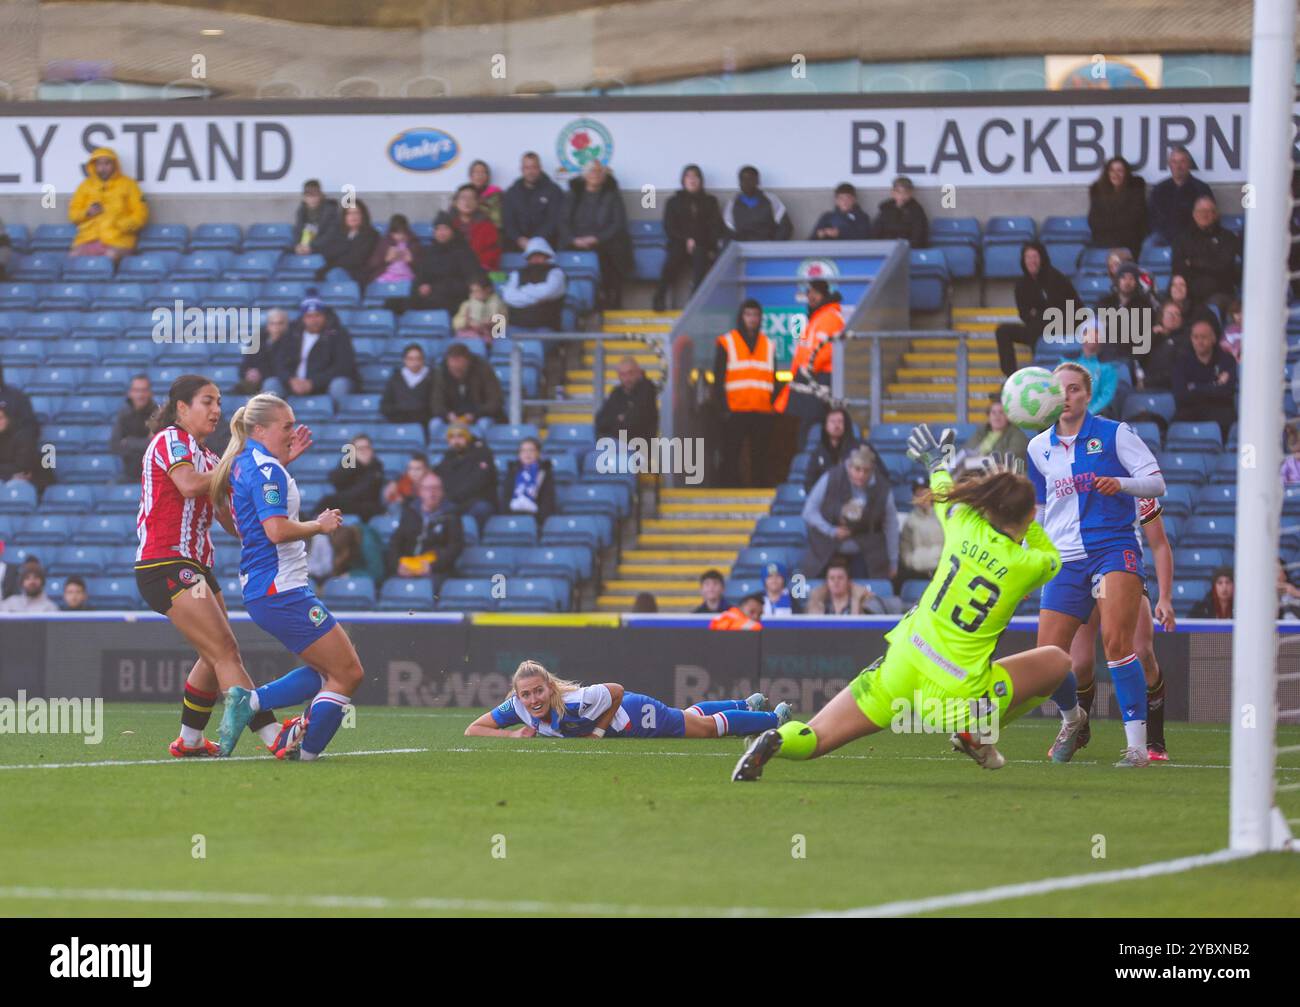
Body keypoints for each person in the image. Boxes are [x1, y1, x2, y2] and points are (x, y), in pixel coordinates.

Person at [733, 443, 1071, 781]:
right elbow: (1051, 556)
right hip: (958, 693)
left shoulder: (962, 523)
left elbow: (943, 490)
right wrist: (1031, 517)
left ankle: (775, 739)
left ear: (989, 506)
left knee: (817, 736)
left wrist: (937, 462)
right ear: (1027, 516)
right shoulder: (1027, 565)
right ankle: (979, 731)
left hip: (905, 661)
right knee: (1057, 662)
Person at [135, 376, 287, 758]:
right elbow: (187, 485)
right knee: (224, 652)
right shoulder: (172, 441)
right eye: (207, 401)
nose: (217, 409)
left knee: (215, 652)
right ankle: (273, 735)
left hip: (195, 567)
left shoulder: (208, 457)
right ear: (182, 408)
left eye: (219, 401)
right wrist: (236, 467)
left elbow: (229, 519)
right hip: (167, 562)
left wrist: (273, 468)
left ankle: (189, 740)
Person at [1029, 361, 1167, 768]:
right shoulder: (1038, 447)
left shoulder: (1115, 434)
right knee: (1047, 660)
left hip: (1112, 550)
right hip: (1065, 560)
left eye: (1074, 389)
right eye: (1060, 390)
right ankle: (1074, 720)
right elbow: (1038, 510)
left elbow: (1156, 482)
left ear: (1087, 395)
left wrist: (1121, 483)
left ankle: (1137, 748)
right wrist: (1032, 555)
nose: (1067, 397)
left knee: (1118, 645)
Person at [212, 393, 365, 761]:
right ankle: (301, 750)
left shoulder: (246, 462)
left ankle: (251, 702)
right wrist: (320, 524)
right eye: (286, 426)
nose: (292, 432)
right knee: (348, 672)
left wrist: (281, 460)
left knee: (322, 671)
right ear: (260, 428)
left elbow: (240, 515)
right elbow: (276, 531)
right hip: (281, 589)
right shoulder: (268, 470)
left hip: (269, 589)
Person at [1067, 496, 1175, 761]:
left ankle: (1155, 740)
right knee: (1078, 664)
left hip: (1122, 570)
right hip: (1081, 570)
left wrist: (1165, 597)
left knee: (1142, 652)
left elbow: (1160, 544)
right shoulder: (1070, 480)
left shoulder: (1137, 487)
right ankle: (1079, 728)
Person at [465, 660, 790, 740]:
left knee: (703, 729)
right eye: (526, 694)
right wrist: (511, 734)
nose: (533, 699)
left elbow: (616, 690)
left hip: (632, 715)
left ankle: (774, 720)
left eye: (538, 691)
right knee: (688, 714)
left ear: (549, 687)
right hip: (625, 717)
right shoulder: (519, 708)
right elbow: (474, 729)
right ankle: (747, 705)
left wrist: (598, 732)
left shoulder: (576, 701)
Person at [800, 445, 898, 580]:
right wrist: (831, 530)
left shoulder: (883, 488)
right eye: (857, 469)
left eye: (866, 471)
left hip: (866, 549)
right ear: (849, 467)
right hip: (828, 546)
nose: (861, 475)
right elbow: (808, 512)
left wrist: (893, 560)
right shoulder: (831, 477)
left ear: (873, 470)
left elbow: (891, 525)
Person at [712, 298, 775, 487]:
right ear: (741, 316)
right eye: (748, 314)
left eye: (756, 315)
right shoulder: (727, 342)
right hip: (735, 408)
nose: (752, 319)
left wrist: (772, 404)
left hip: (761, 409)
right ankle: (729, 489)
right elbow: (718, 378)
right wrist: (723, 407)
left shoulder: (768, 344)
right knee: (731, 453)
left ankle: (759, 488)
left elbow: (774, 378)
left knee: (761, 455)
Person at [774, 280, 845, 444]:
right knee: (806, 430)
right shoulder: (817, 317)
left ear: (824, 295)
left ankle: (812, 465)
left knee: (811, 432)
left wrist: (806, 370)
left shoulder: (829, 317)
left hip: (819, 381)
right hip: (811, 381)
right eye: (809, 293)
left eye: (816, 293)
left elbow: (825, 350)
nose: (811, 296)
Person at [994, 242, 1078, 377]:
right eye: (1028, 257)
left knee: (1038, 324)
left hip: (1061, 327)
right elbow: (1024, 313)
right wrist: (1039, 313)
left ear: (1042, 258)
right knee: (1003, 331)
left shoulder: (1056, 278)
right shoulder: (1021, 285)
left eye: (1035, 257)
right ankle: (1011, 377)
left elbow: (1063, 309)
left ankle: (1039, 374)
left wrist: (1038, 312)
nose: (1032, 261)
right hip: (1035, 327)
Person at [654, 164, 724, 311]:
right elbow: (669, 226)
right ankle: (659, 297)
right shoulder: (673, 202)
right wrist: (686, 239)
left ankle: (695, 300)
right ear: (683, 180)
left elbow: (715, 227)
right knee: (673, 258)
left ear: (701, 180)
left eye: (695, 176)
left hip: (703, 245)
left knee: (700, 256)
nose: (692, 180)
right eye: (688, 176)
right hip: (679, 244)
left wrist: (696, 240)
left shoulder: (710, 201)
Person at [264, 296, 358, 407]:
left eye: (317, 315)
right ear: (303, 318)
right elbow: (278, 363)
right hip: (293, 384)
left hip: (324, 384)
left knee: (340, 385)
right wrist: (290, 380)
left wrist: (313, 383)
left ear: (324, 316)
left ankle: (341, 420)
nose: (314, 320)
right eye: (309, 316)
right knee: (271, 383)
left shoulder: (338, 335)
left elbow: (343, 366)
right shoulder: (291, 334)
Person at [564, 160, 633, 309]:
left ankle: (610, 299)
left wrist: (596, 238)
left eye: (599, 171)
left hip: (605, 242)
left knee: (612, 253)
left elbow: (618, 223)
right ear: (584, 175)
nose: (595, 174)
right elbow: (563, 222)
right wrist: (573, 239)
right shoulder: (573, 195)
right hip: (576, 242)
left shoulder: (612, 195)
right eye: (592, 171)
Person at [386, 471, 464, 591]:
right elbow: (395, 542)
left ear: (442, 491)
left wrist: (432, 567)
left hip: (436, 570)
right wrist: (397, 566)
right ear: (420, 491)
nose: (432, 493)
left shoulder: (452, 516)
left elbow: (455, 547)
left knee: (431, 587)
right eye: (428, 488)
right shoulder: (410, 513)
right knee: (391, 586)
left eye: (436, 488)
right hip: (408, 567)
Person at [67, 147, 148, 262]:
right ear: (94, 166)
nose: (103, 168)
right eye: (99, 164)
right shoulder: (85, 186)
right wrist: (88, 213)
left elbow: (141, 215)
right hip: (89, 239)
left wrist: (119, 224)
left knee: (109, 256)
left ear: (115, 164)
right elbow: (73, 214)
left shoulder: (129, 185)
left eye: (107, 163)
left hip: (119, 240)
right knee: (73, 258)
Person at [1171, 313, 1238, 440]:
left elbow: (1227, 392)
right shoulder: (1182, 361)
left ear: (1213, 339)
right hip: (1190, 411)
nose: (1199, 341)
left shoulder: (1226, 360)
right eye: (1195, 337)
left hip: (1219, 412)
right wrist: (1214, 386)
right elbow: (1180, 395)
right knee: (1176, 424)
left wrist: (1195, 387)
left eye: (1203, 337)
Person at [1170, 196, 1241, 314]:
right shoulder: (1182, 239)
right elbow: (1177, 267)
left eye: (1209, 211)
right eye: (1200, 211)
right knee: (1170, 306)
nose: (1204, 214)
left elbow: (1223, 267)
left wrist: (1192, 262)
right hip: (1189, 293)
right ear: (1194, 214)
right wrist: (1208, 262)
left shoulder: (1228, 238)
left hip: (1220, 293)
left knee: (1210, 308)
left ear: (1215, 214)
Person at [406, 212, 482, 313]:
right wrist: (420, 289)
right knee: (393, 303)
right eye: (438, 229)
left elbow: (466, 284)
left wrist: (433, 288)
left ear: (452, 231)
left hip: (452, 300)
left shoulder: (463, 252)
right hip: (428, 298)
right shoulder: (428, 252)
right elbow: (419, 277)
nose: (441, 233)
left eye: (445, 228)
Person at [435, 422, 498, 527]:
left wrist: (454, 496)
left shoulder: (482, 453)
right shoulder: (448, 456)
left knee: (480, 509)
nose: (456, 441)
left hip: (476, 500)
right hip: (454, 501)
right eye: (452, 437)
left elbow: (479, 481)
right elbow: (438, 475)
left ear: (467, 437)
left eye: (460, 436)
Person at [1148, 146, 1214, 245]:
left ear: (1189, 164)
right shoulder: (1159, 189)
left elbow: (1209, 218)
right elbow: (1152, 218)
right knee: (1147, 246)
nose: (1178, 166)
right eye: (1174, 162)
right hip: (1163, 237)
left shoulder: (1201, 188)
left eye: (1182, 161)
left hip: (1193, 237)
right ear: (1169, 165)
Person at [501, 151, 565, 252]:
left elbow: (554, 220)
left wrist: (535, 241)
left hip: (547, 245)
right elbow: (508, 221)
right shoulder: (512, 193)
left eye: (534, 167)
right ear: (521, 169)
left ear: (540, 168)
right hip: (517, 246)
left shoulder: (553, 191)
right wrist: (518, 238)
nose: (531, 171)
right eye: (527, 168)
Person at [1087, 156, 1148, 257]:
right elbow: (1093, 221)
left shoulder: (1135, 188)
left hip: (1129, 241)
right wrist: (1116, 222)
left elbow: (1134, 218)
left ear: (1126, 173)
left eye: (1120, 171)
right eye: (1112, 170)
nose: (1115, 174)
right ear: (1107, 173)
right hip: (1103, 240)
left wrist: (1107, 222)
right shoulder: (1097, 191)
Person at [430, 342, 505, 425]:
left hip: (480, 416)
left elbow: (495, 401)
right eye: (452, 368)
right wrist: (447, 415)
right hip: (451, 417)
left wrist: (475, 415)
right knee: (435, 424)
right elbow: (436, 403)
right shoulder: (441, 372)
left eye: (459, 369)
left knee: (484, 424)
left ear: (467, 361)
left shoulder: (483, 369)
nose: (456, 371)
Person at [499, 238, 565, 331]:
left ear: (547, 256)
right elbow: (508, 296)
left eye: (539, 255)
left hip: (546, 326)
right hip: (516, 324)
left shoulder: (556, 273)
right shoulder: (517, 273)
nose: (535, 259)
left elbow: (547, 292)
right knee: (498, 330)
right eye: (532, 256)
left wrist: (521, 291)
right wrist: (535, 299)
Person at [317, 434, 386, 522]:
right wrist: (356, 464)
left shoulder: (377, 467)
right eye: (360, 449)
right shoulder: (349, 464)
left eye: (367, 448)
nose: (364, 451)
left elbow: (365, 491)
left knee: (331, 501)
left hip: (368, 506)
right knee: (327, 502)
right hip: (348, 503)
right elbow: (336, 480)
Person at [803, 407, 871, 492]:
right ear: (826, 426)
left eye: (840, 422)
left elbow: (877, 479)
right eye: (832, 422)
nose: (836, 425)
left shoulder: (860, 448)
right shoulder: (818, 452)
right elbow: (809, 483)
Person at [953, 397, 1029, 472]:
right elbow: (967, 449)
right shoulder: (981, 432)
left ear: (1008, 416)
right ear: (988, 416)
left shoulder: (1017, 434)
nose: (997, 416)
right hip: (974, 471)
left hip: (1001, 474)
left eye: (1001, 412)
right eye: (993, 412)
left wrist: (986, 459)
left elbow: (1014, 454)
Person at [595, 357, 658, 444]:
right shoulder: (616, 392)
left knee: (595, 455)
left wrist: (616, 420)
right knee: (587, 453)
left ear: (638, 372)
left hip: (639, 447)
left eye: (630, 373)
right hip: (615, 444)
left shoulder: (647, 390)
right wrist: (620, 419)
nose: (627, 378)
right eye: (623, 374)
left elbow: (635, 423)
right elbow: (600, 421)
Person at [313, 200, 378, 284]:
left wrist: (339, 254)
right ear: (344, 217)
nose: (353, 216)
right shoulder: (337, 233)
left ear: (363, 215)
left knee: (335, 274)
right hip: (332, 271)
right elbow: (326, 252)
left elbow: (357, 259)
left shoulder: (371, 235)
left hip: (358, 276)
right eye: (349, 213)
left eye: (356, 213)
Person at [723, 165, 792, 242]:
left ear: (758, 181)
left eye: (750, 179)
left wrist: (774, 245)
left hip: (768, 246)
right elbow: (728, 229)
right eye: (743, 180)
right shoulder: (732, 203)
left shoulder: (771, 199)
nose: (747, 183)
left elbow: (785, 226)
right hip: (742, 248)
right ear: (739, 183)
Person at [897, 475, 943, 587]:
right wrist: (912, 562)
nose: (922, 498)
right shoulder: (910, 521)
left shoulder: (942, 516)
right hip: (918, 571)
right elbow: (905, 548)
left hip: (941, 569)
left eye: (925, 494)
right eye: (918, 495)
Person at [1075, 320, 1127, 418]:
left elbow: (1106, 396)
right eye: (1089, 333)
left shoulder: (1108, 366)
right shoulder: (1068, 362)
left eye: (1097, 333)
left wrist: (1085, 414)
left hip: (1096, 417)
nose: (1093, 336)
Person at [805, 555, 889, 615]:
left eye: (840, 578)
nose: (836, 581)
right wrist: (816, 600)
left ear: (848, 581)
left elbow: (861, 630)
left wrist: (856, 599)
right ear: (827, 582)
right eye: (832, 578)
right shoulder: (819, 600)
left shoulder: (862, 600)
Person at [111, 374, 156, 484]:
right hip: (128, 475)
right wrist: (142, 444)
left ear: (150, 393)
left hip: (152, 476)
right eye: (136, 390)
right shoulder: (124, 415)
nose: (140, 395)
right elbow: (114, 445)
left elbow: (153, 445)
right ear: (130, 393)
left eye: (144, 390)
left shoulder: (156, 414)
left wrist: (128, 442)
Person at [501, 437, 555, 526]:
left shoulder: (544, 473)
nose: (527, 454)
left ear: (538, 453)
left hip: (536, 518)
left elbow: (548, 500)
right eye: (523, 450)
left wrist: (537, 519)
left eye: (531, 450)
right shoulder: (512, 471)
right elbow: (506, 497)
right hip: (512, 516)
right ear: (519, 454)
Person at [380, 343, 435, 428]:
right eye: (411, 359)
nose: (415, 363)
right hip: (398, 423)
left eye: (418, 359)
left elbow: (435, 405)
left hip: (424, 424)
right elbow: (385, 406)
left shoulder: (432, 377)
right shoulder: (395, 378)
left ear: (423, 360)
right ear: (404, 360)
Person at [450, 184, 501, 272]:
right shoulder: (448, 225)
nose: (467, 202)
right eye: (463, 198)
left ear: (477, 203)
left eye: (471, 198)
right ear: (455, 202)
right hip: (452, 272)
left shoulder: (487, 226)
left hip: (479, 271)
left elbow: (492, 252)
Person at [238, 308, 290, 394]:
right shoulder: (257, 339)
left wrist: (261, 374)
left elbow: (283, 369)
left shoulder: (292, 342)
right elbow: (245, 364)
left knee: (271, 384)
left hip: (278, 383)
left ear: (286, 325)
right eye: (272, 323)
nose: (276, 327)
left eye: (280, 323)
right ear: (267, 325)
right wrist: (248, 373)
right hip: (255, 382)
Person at [0, 404, 48, 493]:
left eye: (1, 418)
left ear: (8, 419)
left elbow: (22, 468)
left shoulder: (23, 436)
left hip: (35, 482)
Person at [363, 213, 421, 287]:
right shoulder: (385, 242)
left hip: (405, 274)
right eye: (397, 233)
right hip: (388, 274)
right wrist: (386, 259)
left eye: (403, 232)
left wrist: (411, 260)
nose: (400, 236)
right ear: (391, 233)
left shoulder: (412, 242)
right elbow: (373, 263)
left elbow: (421, 265)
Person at [453, 274, 508, 348]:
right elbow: (456, 323)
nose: (475, 294)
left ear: (488, 289)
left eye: (477, 291)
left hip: (489, 336)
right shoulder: (467, 305)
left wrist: (491, 324)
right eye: (473, 291)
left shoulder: (499, 304)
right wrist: (467, 322)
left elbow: (502, 326)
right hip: (469, 333)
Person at [872, 176, 928, 248]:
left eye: (905, 192)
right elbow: (876, 232)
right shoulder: (885, 208)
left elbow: (918, 236)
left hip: (907, 250)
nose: (902, 196)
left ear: (911, 193)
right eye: (898, 192)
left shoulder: (917, 210)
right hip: (886, 248)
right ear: (893, 192)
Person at [294, 179, 340, 255]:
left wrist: (311, 247)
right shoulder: (301, 210)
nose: (312, 199)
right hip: (305, 247)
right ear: (304, 197)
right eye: (309, 196)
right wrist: (297, 245)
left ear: (321, 195)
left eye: (315, 195)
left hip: (325, 249)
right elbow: (298, 231)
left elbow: (330, 235)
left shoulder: (330, 210)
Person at [468, 159, 504, 229]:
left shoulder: (496, 193)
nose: (480, 175)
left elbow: (498, 220)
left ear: (488, 176)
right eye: (476, 172)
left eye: (483, 172)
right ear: (471, 176)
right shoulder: (464, 193)